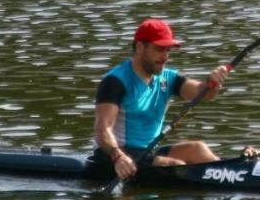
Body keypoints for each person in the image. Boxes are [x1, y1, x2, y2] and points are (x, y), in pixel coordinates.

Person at [93, 18, 232, 181]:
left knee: (198, 149)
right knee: (176, 165)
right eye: (159, 49)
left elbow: (203, 93)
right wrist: (118, 157)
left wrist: (212, 83)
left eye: (168, 50)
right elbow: (102, 129)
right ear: (139, 47)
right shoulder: (116, 81)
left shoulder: (168, 78)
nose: (165, 56)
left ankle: (233, 173)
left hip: (147, 152)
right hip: (117, 155)